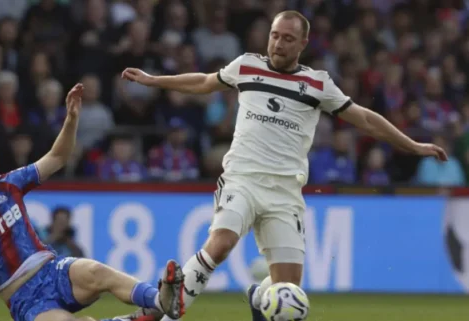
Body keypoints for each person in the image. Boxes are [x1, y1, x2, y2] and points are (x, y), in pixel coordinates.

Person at [120, 10, 448, 321]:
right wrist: (154, 80)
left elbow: (363, 118)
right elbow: (204, 82)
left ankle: (258, 300)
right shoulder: (246, 66)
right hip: (242, 179)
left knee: (288, 293)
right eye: (274, 36)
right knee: (221, 243)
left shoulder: (318, 85)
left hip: (285, 193)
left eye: (288, 38)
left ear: (303, 44)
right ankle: (158, 311)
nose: (278, 43)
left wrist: (413, 145)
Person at [0, 83, 185, 321]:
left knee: (98, 272)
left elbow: (57, 157)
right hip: (24, 299)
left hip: (53, 270)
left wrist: (71, 119)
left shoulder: (8, 185)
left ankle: (161, 301)